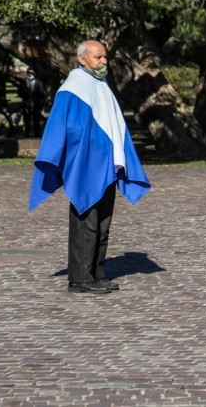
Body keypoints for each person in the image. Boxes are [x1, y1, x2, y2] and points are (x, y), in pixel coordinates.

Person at [29, 40, 151, 294]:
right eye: (98, 57)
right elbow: (61, 126)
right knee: (87, 220)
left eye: (105, 56)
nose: (104, 61)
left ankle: (97, 273)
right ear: (83, 60)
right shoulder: (74, 87)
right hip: (85, 165)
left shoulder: (100, 85)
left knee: (103, 221)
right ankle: (80, 278)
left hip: (106, 166)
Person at [12, 68, 47, 137]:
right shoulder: (38, 83)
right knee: (34, 119)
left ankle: (28, 133)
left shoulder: (24, 83)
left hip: (28, 103)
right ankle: (35, 133)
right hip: (34, 104)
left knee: (28, 119)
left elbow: (19, 93)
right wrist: (41, 104)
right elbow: (42, 95)